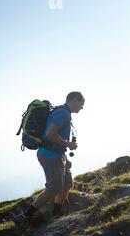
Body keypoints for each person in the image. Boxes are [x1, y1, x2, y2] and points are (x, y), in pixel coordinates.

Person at [14, 92, 85, 227]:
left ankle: (56, 213)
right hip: (49, 155)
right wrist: (68, 144)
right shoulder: (63, 114)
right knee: (54, 188)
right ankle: (25, 215)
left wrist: (63, 154)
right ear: (74, 100)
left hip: (57, 155)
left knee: (68, 183)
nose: (82, 107)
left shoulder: (63, 112)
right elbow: (50, 134)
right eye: (81, 104)